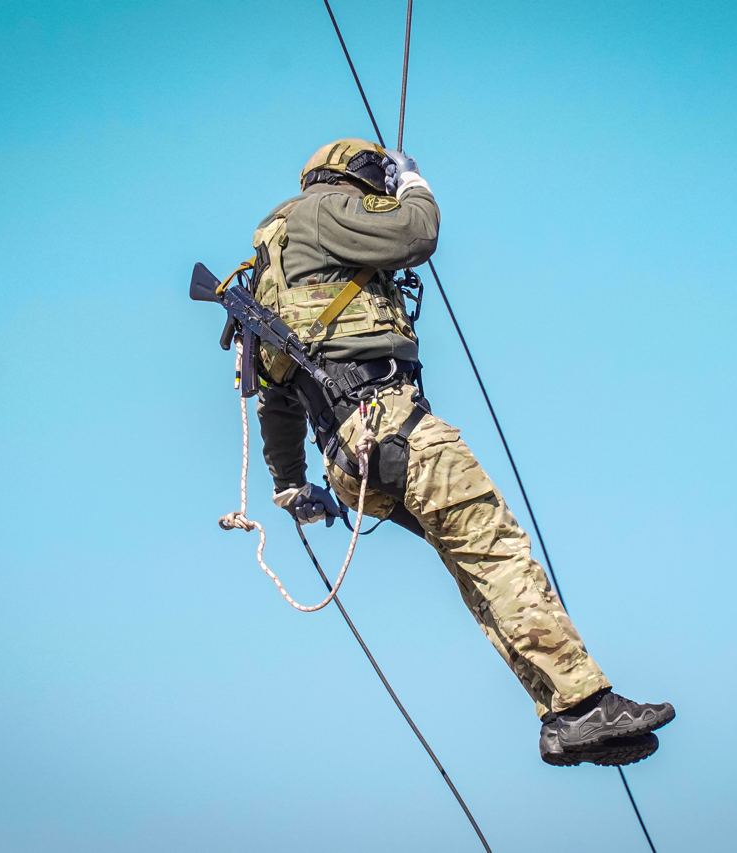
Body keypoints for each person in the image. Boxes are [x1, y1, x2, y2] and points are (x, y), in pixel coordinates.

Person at [247, 138, 675, 767]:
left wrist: (291, 486)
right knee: (497, 552)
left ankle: (563, 715)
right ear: (353, 179)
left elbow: (274, 399)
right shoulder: (323, 211)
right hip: (391, 421)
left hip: (347, 454)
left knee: (476, 565)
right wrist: (414, 185)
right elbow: (416, 234)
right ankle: (585, 706)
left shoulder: (269, 272)